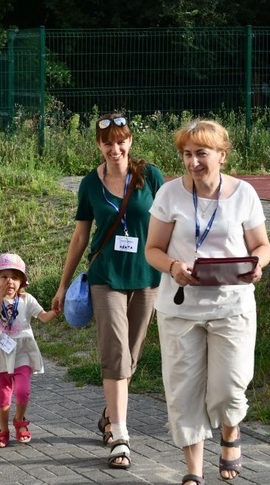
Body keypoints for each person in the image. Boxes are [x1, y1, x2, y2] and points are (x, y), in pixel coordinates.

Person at [144, 120, 270, 485]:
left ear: (222, 155)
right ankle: (194, 471)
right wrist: (172, 266)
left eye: (201, 153)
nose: (193, 162)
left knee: (230, 387)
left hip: (232, 305)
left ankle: (230, 433)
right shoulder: (168, 194)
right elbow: (152, 249)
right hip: (180, 308)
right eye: (187, 154)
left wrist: (257, 265)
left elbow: (262, 246)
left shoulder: (244, 193)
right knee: (183, 391)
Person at [51, 114, 164, 469]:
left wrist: (177, 268)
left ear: (130, 141)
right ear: (98, 146)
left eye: (121, 142)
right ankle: (120, 435)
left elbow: (170, 223)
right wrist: (63, 282)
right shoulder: (89, 184)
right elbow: (81, 236)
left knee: (130, 356)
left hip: (147, 277)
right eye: (107, 143)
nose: (115, 149)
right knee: (115, 354)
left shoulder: (151, 177)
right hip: (106, 277)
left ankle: (108, 414)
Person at [0, 253, 59, 449]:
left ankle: (20, 420)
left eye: (15, 277)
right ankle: (3, 430)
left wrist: (57, 310)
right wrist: (0, 297)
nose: (9, 281)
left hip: (22, 353)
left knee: (22, 391)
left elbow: (44, 317)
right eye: (4, 277)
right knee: (3, 397)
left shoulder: (27, 299)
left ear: (22, 282)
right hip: (0, 354)